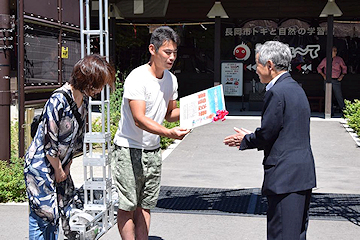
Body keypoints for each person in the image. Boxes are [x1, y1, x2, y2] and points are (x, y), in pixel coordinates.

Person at [224, 41, 316, 240]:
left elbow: (268, 133)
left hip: (284, 175)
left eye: (257, 64)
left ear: (270, 65)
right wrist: (253, 135)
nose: (254, 70)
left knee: (281, 233)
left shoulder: (276, 92)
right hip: (301, 174)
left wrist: (245, 139)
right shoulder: (295, 88)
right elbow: (282, 130)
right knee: (296, 234)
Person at [24, 54, 115, 240]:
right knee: (43, 216)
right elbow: (49, 142)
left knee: (62, 214)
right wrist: (58, 169)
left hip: (61, 165)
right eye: (99, 83)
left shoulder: (84, 101)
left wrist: (65, 166)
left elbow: (76, 140)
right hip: (41, 167)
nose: (100, 89)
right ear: (88, 80)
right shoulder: (58, 100)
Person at [111, 26, 190, 240]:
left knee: (145, 206)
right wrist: (169, 134)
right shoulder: (137, 78)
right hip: (128, 149)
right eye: (167, 52)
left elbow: (169, 113)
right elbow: (139, 119)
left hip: (152, 151)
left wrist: (198, 111)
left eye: (174, 52)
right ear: (152, 49)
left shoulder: (171, 80)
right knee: (128, 205)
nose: (172, 57)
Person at [317, 46, 347, 112]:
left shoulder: (339, 59)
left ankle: (344, 111)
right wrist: (323, 75)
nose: (335, 52)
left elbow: (344, 68)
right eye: (333, 50)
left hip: (336, 79)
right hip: (327, 79)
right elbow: (319, 68)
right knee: (328, 96)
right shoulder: (325, 60)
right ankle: (330, 111)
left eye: (335, 51)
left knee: (339, 96)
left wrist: (342, 75)